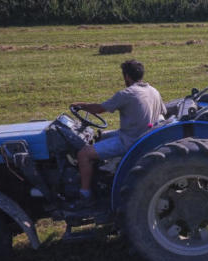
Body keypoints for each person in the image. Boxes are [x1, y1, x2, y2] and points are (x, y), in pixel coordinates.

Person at [70, 59, 165, 207]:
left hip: (129, 141)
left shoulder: (127, 93)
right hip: (144, 137)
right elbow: (162, 113)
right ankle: (100, 176)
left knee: (83, 154)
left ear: (126, 76)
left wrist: (81, 105)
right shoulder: (154, 91)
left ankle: (85, 194)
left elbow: (100, 109)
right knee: (101, 137)